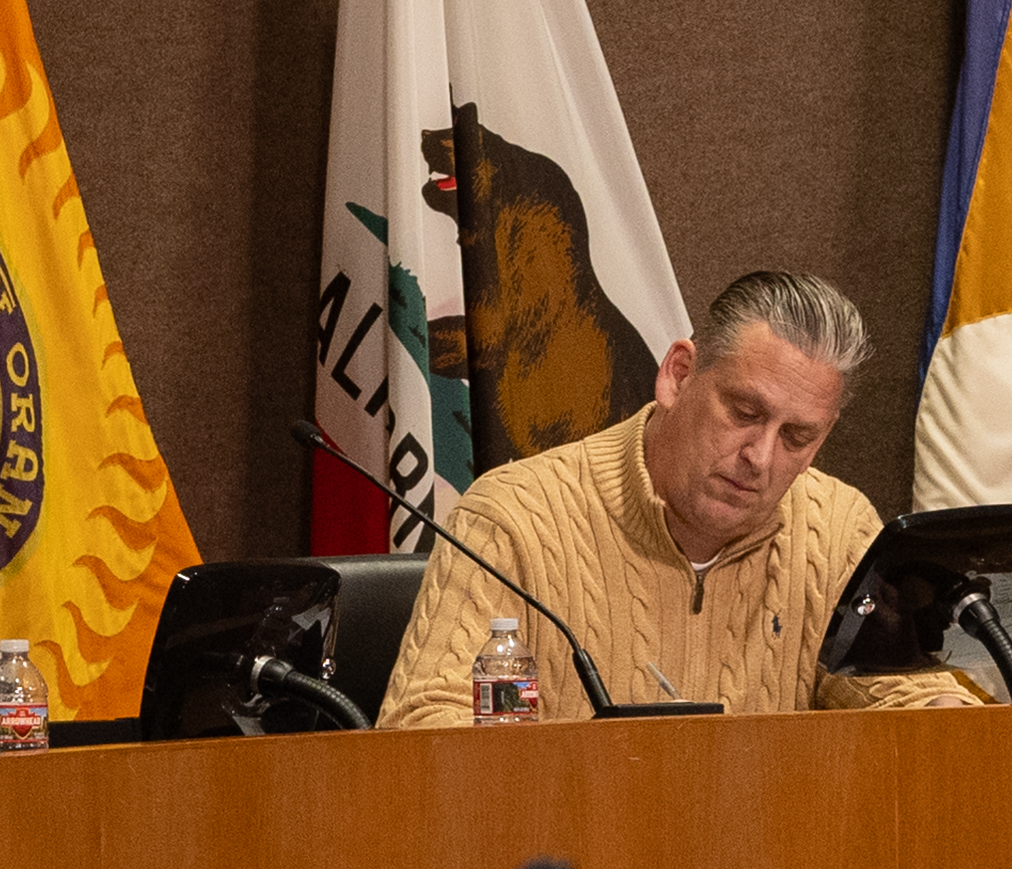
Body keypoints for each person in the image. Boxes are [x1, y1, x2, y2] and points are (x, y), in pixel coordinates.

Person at [374, 271, 979, 727]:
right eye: (745, 413)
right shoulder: (515, 520)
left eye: (798, 437)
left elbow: (896, 692)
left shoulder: (837, 528)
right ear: (679, 374)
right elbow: (426, 729)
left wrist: (943, 705)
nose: (762, 457)